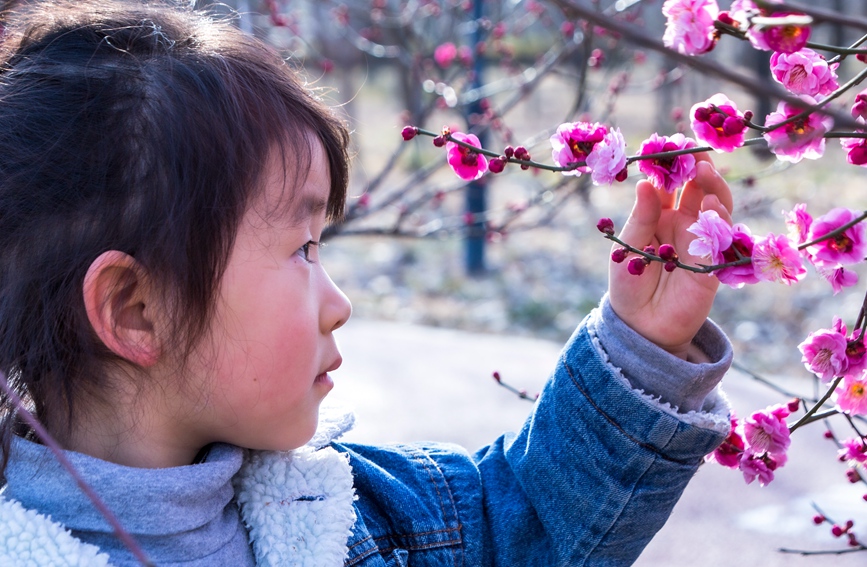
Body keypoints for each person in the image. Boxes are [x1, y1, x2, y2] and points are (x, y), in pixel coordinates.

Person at [0, 1, 735, 565]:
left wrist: (638, 342)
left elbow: (528, 511)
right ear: (137, 309)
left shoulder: (360, 514)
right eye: (301, 248)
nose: (338, 304)